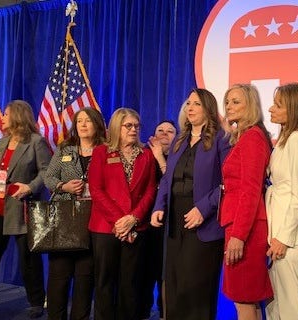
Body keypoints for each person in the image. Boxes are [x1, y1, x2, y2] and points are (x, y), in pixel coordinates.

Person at [0, 100, 51, 320]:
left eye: (5, 114)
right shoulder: (0, 143)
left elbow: (46, 173)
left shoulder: (36, 142)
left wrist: (30, 188)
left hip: (22, 210)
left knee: (28, 260)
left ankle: (36, 302)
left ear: (17, 116)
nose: (1, 117)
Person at [150, 88, 230, 320]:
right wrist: (159, 206)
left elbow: (228, 183)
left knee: (196, 288)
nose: (190, 108)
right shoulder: (179, 139)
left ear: (208, 109)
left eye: (196, 104)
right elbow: (168, 178)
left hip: (204, 222)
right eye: (188, 104)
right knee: (174, 286)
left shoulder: (221, 140)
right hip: (175, 221)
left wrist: (204, 209)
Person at [88, 107, 157, 320]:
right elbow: (96, 189)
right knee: (105, 282)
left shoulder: (146, 154)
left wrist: (133, 218)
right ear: (117, 126)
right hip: (106, 227)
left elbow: (150, 190)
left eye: (137, 126)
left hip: (136, 227)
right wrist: (120, 221)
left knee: (131, 282)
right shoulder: (101, 152)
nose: (134, 129)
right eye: (129, 125)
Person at [42, 107, 106, 320]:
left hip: (93, 221)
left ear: (97, 124)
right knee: (58, 279)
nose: (83, 125)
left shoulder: (106, 150)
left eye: (88, 121)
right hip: (65, 221)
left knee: (85, 280)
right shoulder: (65, 149)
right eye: (79, 121)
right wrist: (64, 186)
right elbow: (48, 177)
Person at [220, 84, 273, 320]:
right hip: (238, 225)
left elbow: (250, 191)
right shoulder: (244, 137)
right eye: (228, 102)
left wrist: (239, 236)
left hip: (245, 229)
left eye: (236, 101)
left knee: (244, 300)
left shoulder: (253, 137)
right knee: (245, 300)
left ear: (250, 105)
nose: (229, 106)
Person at [264, 83, 298, 320]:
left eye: (278, 105)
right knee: (277, 305)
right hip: (280, 235)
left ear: (293, 109)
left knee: (292, 307)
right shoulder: (285, 141)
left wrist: (283, 237)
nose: (271, 109)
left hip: (290, 239)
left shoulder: (296, 140)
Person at [137, 119, 176, 319]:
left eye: (170, 131)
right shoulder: (143, 156)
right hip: (144, 223)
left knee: (164, 273)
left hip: (170, 225)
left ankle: (164, 312)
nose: (164, 134)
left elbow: (172, 186)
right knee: (144, 272)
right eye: (160, 130)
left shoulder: (180, 158)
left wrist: (160, 157)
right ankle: (142, 310)